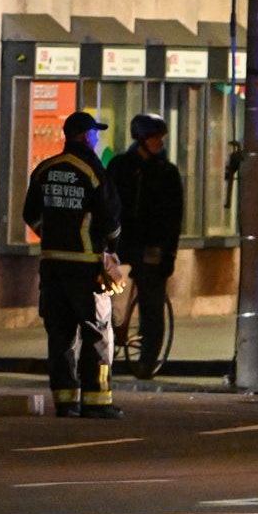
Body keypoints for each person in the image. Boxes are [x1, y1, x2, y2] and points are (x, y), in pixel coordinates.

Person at [22, 111, 124, 418]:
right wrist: (110, 249)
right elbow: (111, 220)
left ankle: (65, 400)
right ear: (84, 136)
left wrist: (53, 237)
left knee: (60, 334)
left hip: (53, 267)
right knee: (98, 333)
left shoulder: (45, 169)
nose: (97, 138)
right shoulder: (93, 172)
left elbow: (31, 214)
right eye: (95, 133)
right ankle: (97, 401)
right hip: (87, 267)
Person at [107, 113, 185, 380]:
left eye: (160, 138)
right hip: (120, 240)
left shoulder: (167, 172)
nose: (159, 143)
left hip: (151, 244)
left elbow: (174, 217)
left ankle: (147, 359)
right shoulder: (120, 166)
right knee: (100, 289)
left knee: (152, 301)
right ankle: (103, 341)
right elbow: (106, 202)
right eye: (154, 138)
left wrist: (169, 253)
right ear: (141, 139)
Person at [223, 141, 243, 210]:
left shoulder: (236, 155)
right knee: (229, 187)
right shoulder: (237, 154)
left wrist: (228, 168)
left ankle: (228, 203)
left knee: (229, 188)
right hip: (232, 169)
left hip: (232, 169)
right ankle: (228, 203)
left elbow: (234, 165)